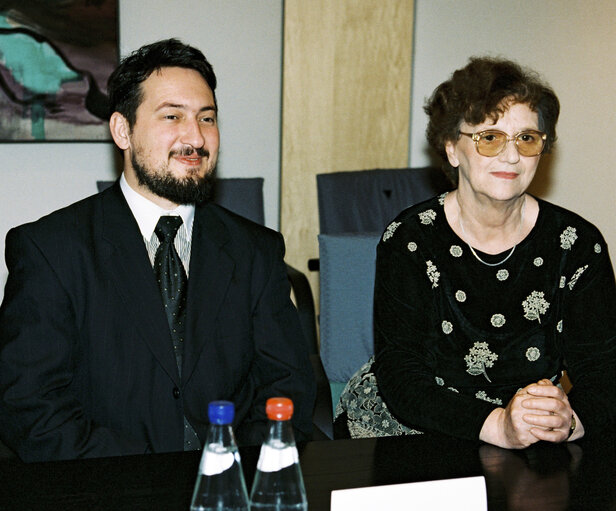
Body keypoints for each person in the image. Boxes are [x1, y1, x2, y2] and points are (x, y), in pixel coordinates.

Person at [0, 38, 315, 462]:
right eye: (173, 116)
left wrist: (231, 469)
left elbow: (287, 385)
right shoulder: (51, 250)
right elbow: (32, 407)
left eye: (207, 118)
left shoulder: (255, 250)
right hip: (105, 485)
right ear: (122, 130)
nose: (196, 137)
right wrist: (146, 478)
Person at [335, 57, 616, 448]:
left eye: (527, 138)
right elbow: (403, 380)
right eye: (490, 137)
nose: (512, 156)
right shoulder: (410, 240)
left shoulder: (579, 244)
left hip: (533, 430)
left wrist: (568, 421)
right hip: (419, 426)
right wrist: (499, 426)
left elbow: (604, 374)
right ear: (452, 148)